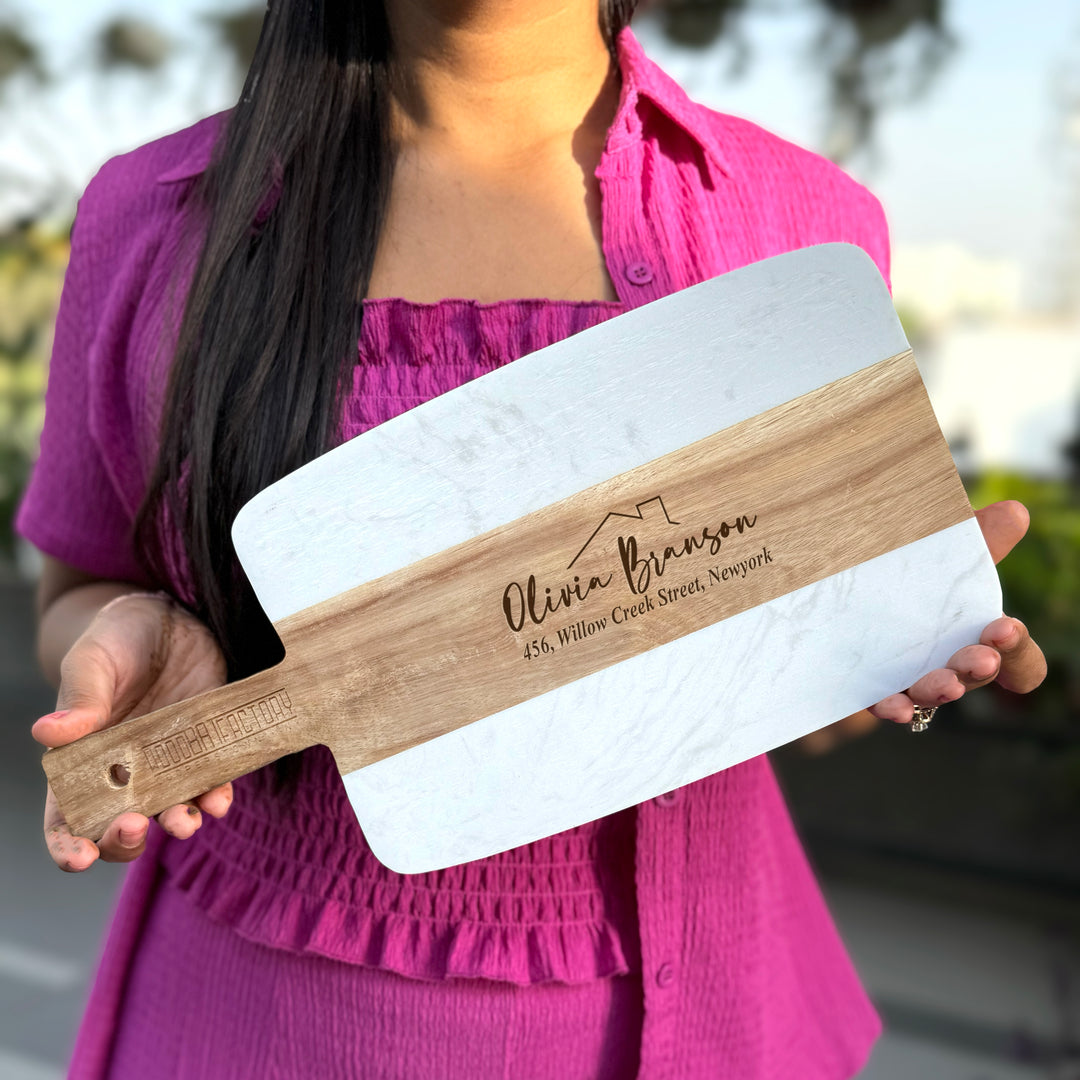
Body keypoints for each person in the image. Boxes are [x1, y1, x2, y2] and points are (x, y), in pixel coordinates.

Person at [18, 2, 1047, 1077]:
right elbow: (76, 585)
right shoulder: (153, 216)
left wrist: (875, 667)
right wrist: (127, 635)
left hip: (709, 1014)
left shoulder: (801, 221)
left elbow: (760, 678)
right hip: (254, 1020)